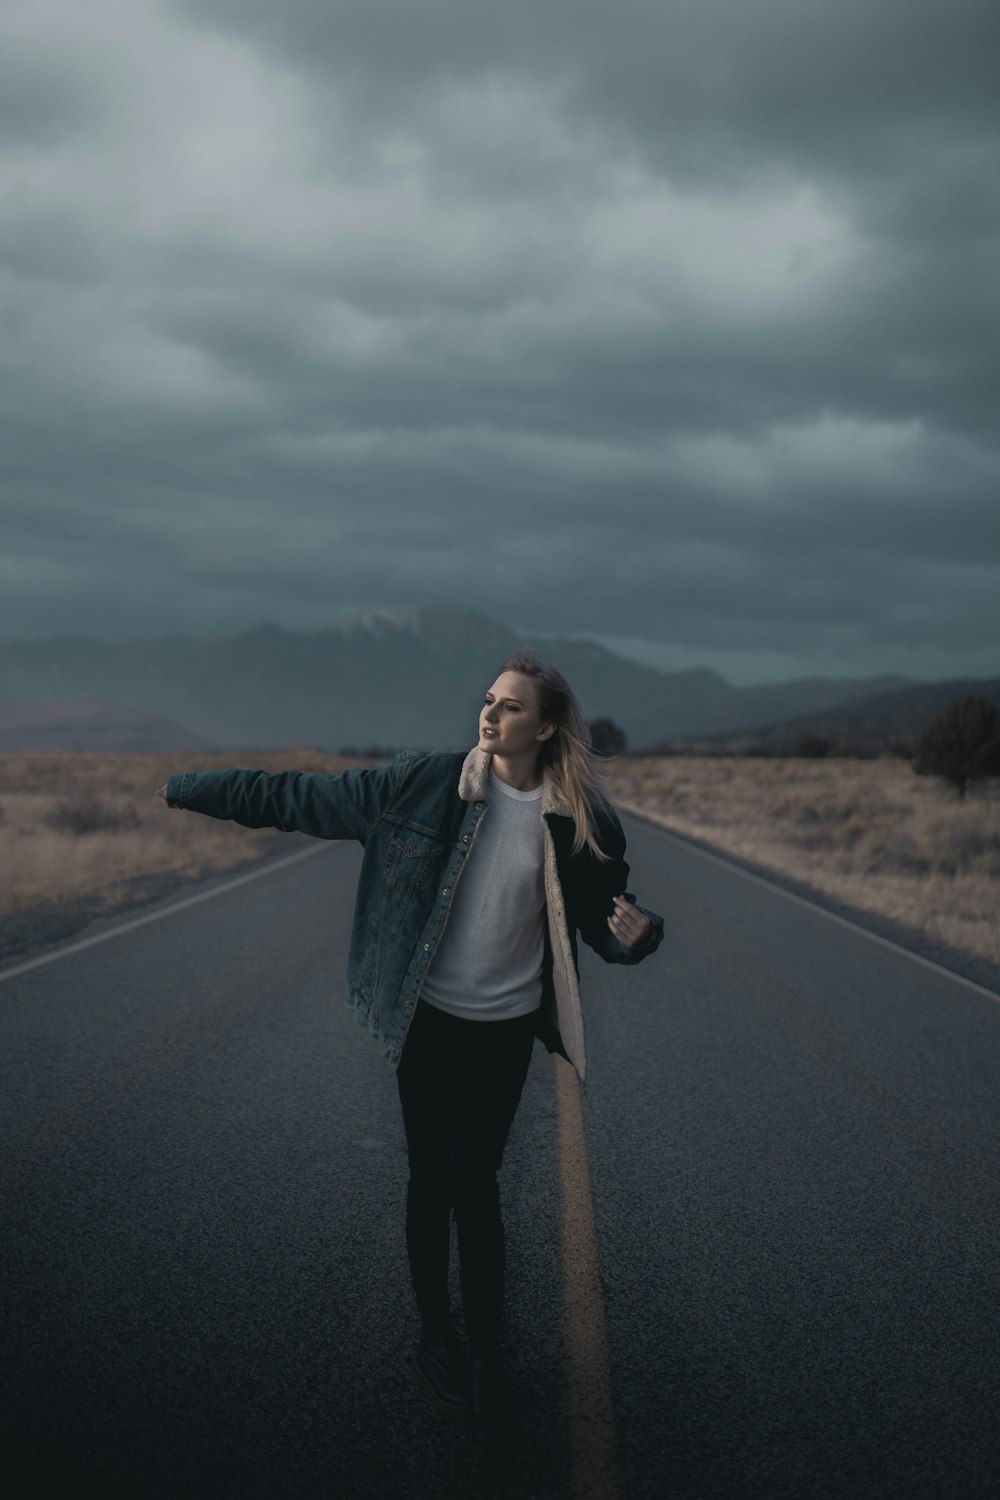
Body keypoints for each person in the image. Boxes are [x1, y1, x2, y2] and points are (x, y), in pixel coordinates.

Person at [156, 645, 664, 1444]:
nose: (491, 713)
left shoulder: (583, 821)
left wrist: (638, 933)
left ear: (549, 726)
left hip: (502, 1032)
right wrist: (189, 788)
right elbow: (296, 797)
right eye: (490, 700)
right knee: (434, 1175)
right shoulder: (421, 785)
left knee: (479, 1184)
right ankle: (437, 1336)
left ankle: (491, 1353)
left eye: (511, 706)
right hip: (429, 1021)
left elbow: (606, 919)